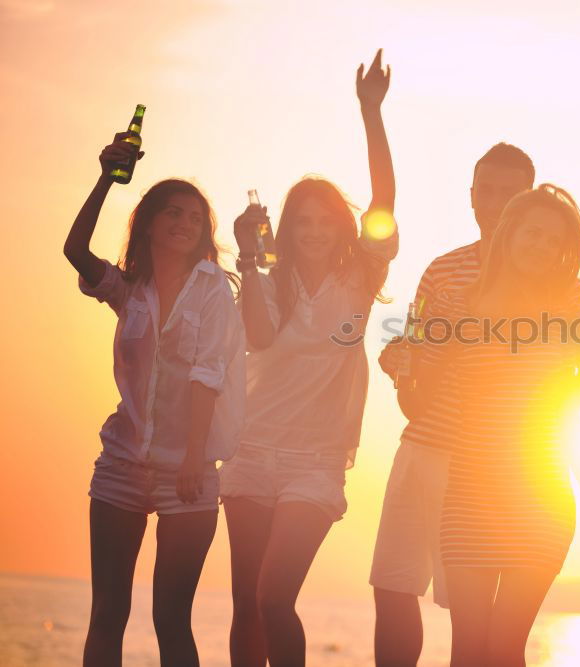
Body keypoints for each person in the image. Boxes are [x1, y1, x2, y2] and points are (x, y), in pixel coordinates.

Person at [219, 49, 396, 667]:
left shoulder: (361, 282)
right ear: (286, 229)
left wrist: (370, 112)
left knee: (274, 597)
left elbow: (383, 199)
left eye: (326, 221)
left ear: (342, 228)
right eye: (302, 222)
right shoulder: (265, 280)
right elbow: (261, 340)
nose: (315, 231)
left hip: (316, 463)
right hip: (250, 449)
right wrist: (248, 252)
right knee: (246, 603)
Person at [398, 184, 580, 667]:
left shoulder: (565, 296)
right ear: (508, 233)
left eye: (552, 240)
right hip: (469, 492)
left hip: (539, 496)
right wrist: (402, 364)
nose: (540, 246)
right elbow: (420, 393)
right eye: (531, 233)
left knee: (502, 648)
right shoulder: (463, 302)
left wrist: (538, 408)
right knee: (469, 649)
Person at [65, 138, 245, 667]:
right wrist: (105, 178)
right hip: (121, 461)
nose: (186, 222)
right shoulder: (129, 289)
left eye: (196, 216)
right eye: (173, 212)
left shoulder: (214, 289)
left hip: (187, 469)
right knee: (108, 612)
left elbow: (207, 373)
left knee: (171, 617)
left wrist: (193, 456)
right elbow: (75, 251)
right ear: (146, 224)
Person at [369, 142, 536, 666]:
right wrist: (399, 362)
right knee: (393, 586)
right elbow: (411, 347)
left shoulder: (546, 279)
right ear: (470, 196)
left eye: (509, 192)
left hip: (489, 465)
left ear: (529, 200)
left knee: (475, 617)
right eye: (486, 189)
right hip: (422, 446)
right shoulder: (443, 269)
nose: (495, 201)